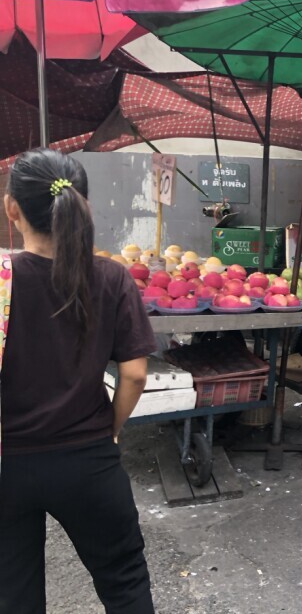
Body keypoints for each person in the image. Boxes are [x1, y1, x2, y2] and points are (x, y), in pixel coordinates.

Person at [0, 149, 157, 613]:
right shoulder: (111, 277)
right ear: (81, 204)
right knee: (124, 581)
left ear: (13, 209)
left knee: (14, 592)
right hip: (88, 461)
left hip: (8, 461)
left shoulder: (2, 280)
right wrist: (111, 427)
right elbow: (133, 372)